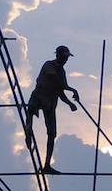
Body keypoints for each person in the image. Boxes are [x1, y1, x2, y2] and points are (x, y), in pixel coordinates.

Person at [24, 45, 79, 173]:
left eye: (66, 58)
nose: (65, 60)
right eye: (64, 57)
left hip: (50, 103)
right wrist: (73, 90)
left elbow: (60, 92)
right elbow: (59, 83)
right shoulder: (49, 65)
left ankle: (47, 165)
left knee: (52, 133)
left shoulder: (62, 72)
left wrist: (70, 104)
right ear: (58, 55)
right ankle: (28, 131)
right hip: (39, 97)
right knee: (30, 112)